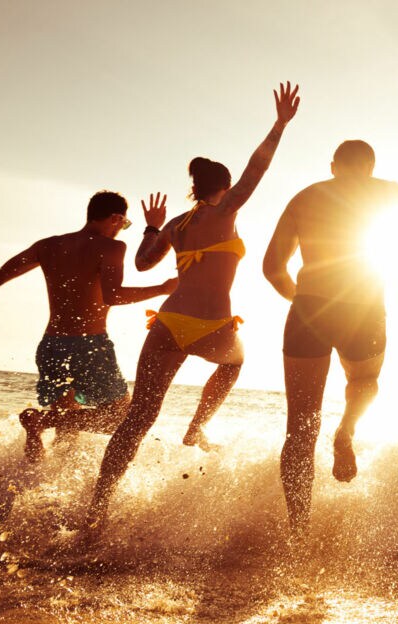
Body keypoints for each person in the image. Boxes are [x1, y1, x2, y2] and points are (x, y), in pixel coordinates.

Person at [85, 82, 300, 531]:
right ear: (222, 188)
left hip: (169, 323)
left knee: (139, 417)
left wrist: (150, 227)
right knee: (235, 362)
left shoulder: (177, 226)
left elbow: (143, 265)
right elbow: (256, 171)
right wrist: (279, 125)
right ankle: (196, 426)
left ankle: (99, 504)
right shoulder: (224, 213)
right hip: (211, 324)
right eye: (230, 187)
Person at [0, 191, 177, 461]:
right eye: (124, 225)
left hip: (51, 346)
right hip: (88, 347)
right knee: (119, 419)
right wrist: (162, 288)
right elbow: (114, 296)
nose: (122, 231)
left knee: (66, 425)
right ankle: (39, 421)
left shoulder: (48, 245)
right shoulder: (111, 248)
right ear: (115, 218)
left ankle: (47, 489)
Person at [263, 139, 398, 533]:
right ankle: (346, 430)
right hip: (364, 306)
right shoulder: (391, 192)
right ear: (371, 166)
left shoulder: (304, 198)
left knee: (300, 427)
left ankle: (298, 530)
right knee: (364, 380)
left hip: (309, 307)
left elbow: (272, 267)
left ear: (333, 166)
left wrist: (302, 300)